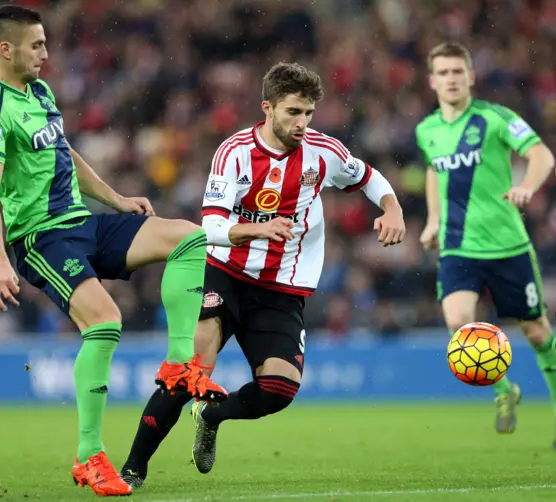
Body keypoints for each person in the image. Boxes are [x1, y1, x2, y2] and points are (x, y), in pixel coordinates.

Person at [0, 6, 285, 496]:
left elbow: (62, 154)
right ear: (5, 49)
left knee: (189, 236)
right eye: (37, 45)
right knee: (105, 321)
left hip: (82, 223)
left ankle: (181, 364)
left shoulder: (39, 92)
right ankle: (88, 456)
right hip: (40, 239)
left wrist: (115, 199)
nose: (46, 54)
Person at [120, 61, 406, 489]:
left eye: (308, 113)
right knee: (189, 369)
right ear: (267, 108)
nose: (302, 123)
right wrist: (257, 227)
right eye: (293, 112)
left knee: (279, 390)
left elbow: (367, 176)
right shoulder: (234, 152)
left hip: (282, 290)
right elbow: (210, 225)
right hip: (225, 274)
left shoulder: (322, 152)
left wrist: (392, 208)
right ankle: (133, 468)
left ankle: (213, 415)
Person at [416, 42, 556, 445]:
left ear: (471, 75)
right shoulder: (427, 130)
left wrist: (526, 188)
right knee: (458, 323)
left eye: (458, 71)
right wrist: (433, 221)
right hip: (459, 248)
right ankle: (504, 391)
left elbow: (543, 156)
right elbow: (433, 172)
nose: (451, 79)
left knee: (537, 332)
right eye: (443, 72)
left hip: (508, 245)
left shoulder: (497, 119)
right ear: (432, 81)